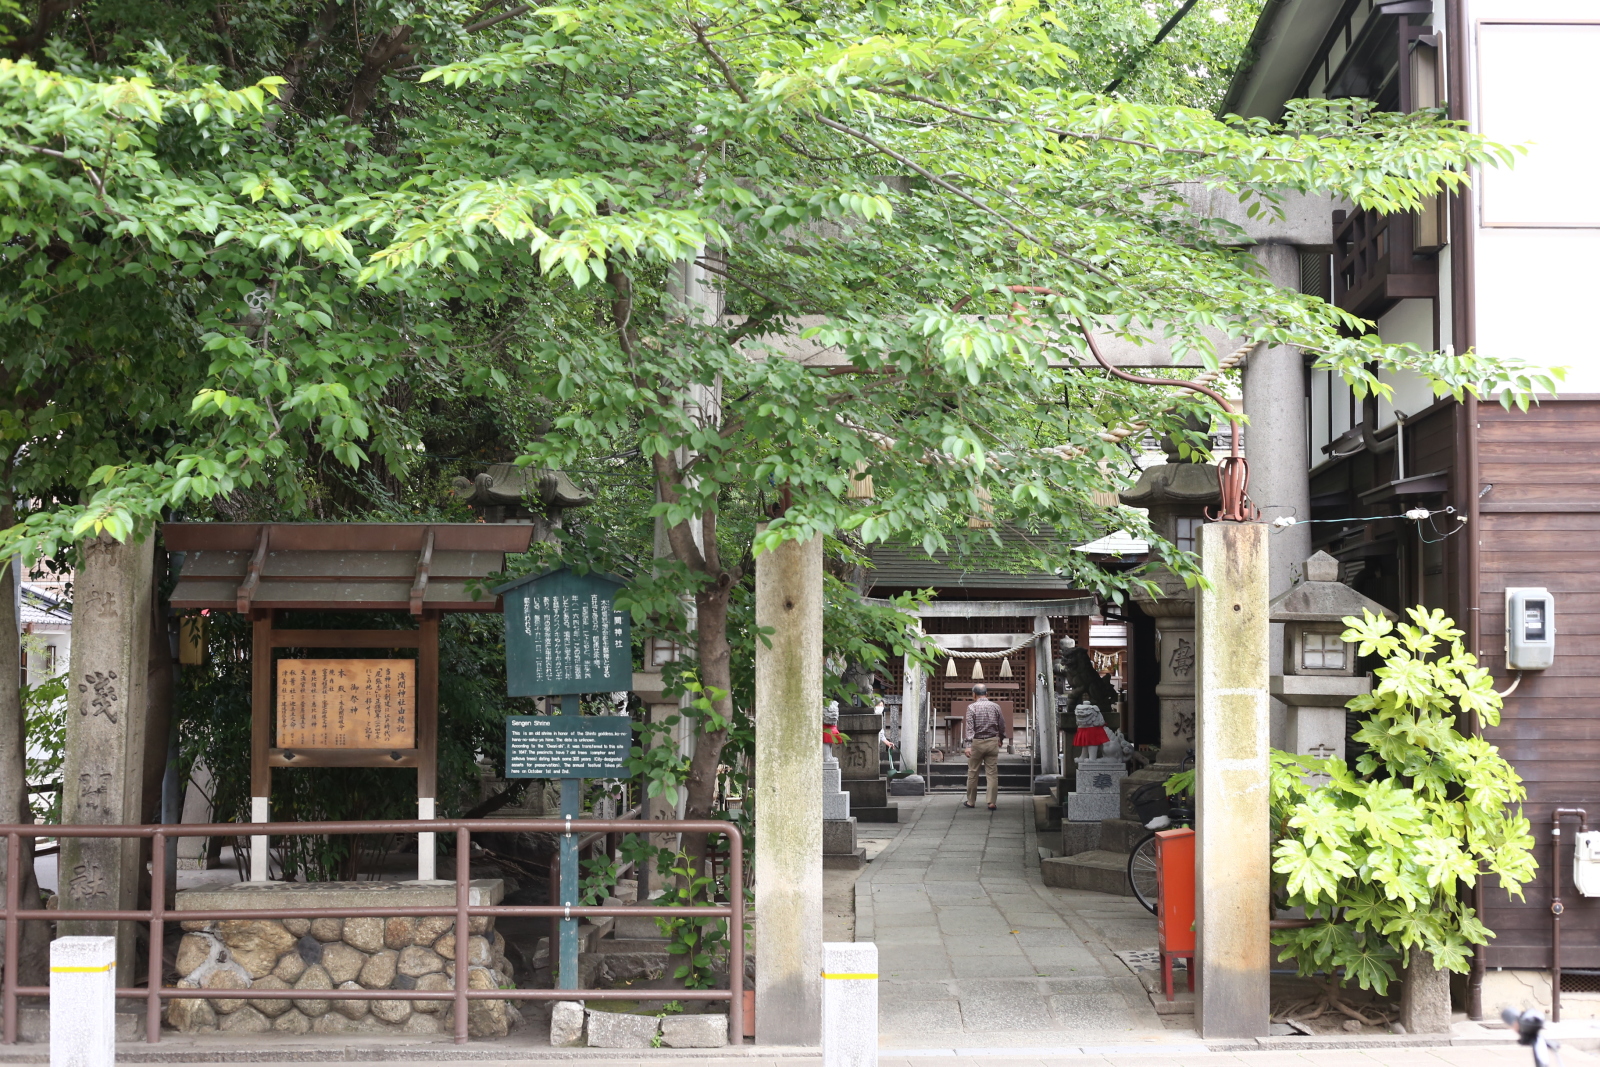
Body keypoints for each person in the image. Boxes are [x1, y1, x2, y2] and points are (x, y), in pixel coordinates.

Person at [962, 683, 1010, 811]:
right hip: (992, 741)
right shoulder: (996, 706)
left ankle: (971, 801)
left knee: (973, 772)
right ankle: (991, 802)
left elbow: (969, 727)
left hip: (977, 743)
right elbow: (1002, 724)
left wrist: (968, 745)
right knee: (992, 773)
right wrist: (1000, 738)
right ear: (986, 694)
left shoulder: (972, 707)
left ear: (974, 694)